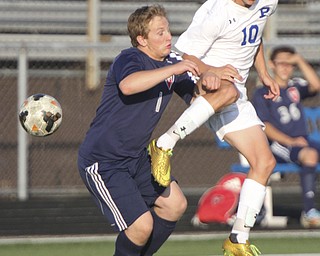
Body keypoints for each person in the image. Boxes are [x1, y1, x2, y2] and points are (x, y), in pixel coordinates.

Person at [77, 5, 239, 256]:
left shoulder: (173, 63)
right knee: (141, 227)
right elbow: (129, 85)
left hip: (137, 158)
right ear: (142, 39)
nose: (168, 37)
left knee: (175, 204)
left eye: (168, 30)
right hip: (104, 160)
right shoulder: (130, 58)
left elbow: (196, 100)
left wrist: (212, 81)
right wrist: (175, 68)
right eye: (159, 33)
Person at [147, 0, 280, 255]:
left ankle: (238, 239)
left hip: (236, 92)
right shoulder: (217, 12)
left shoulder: (267, 2)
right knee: (227, 90)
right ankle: (164, 144)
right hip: (207, 81)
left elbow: (256, 32)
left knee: (264, 163)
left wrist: (263, 73)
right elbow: (187, 55)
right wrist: (213, 70)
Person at [252, 45, 320, 228]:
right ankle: (309, 212)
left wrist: (298, 60)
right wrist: (290, 141)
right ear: (272, 65)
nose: (285, 68)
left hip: (303, 142)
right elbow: (264, 126)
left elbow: (316, 85)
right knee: (310, 155)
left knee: (310, 151)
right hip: (280, 144)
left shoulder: (295, 88)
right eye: (281, 63)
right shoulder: (263, 92)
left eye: (289, 64)